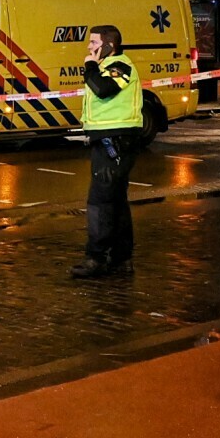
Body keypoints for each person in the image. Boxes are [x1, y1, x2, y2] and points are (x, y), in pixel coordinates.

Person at [71, 23, 144, 279]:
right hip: (109, 139)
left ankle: (96, 258)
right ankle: (122, 259)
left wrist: (89, 66)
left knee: (100, 202)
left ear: (109, 46)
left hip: (116, 141)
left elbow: (103, 89)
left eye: (93, 43)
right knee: (115, 202)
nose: (89, 48)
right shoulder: (107, 67)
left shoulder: (121, 66)